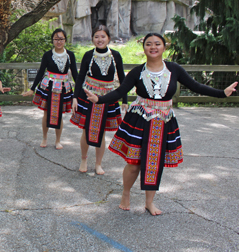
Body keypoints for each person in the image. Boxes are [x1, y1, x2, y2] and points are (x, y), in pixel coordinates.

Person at [85, 33, 237, 215]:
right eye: (149, 44)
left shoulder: (174, 69)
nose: (153, 47)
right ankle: (126, 193)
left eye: (157, 44)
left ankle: (149, 202)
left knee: (154, 162)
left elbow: (196, 86)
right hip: (139, 120)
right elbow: (120, 91)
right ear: (144, 49)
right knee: (134, 163)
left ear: (164, 47)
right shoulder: (137, 72)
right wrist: (99, 99)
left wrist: (222, 93)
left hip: (163, 121)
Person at [70, 25, 128, 175]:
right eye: (96, 36)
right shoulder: (88, 55)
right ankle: (84, 159)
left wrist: (125, 100)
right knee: (86, 130)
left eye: (103, 36)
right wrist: (75, 97)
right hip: (88, 97)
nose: (100, 39)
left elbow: (123, 79)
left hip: (108, 98)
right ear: (92, 39)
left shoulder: (116, 55)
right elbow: (80, 77)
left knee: (101, 132)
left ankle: (98, 163)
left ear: (108, 38)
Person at [22, 28, 78, 149]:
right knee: (46, 113)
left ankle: (58, 140)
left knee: (60, 115)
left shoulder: (70, 55)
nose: (59, 41)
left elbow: (75, 74)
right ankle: (45, 138)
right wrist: (32, 88)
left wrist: (79, 93)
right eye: (56, 39)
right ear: (53, 40)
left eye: (61, 39)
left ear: (65, 40)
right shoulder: (47, 55)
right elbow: (41, 71)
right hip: (48, 86)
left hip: (64, 87)